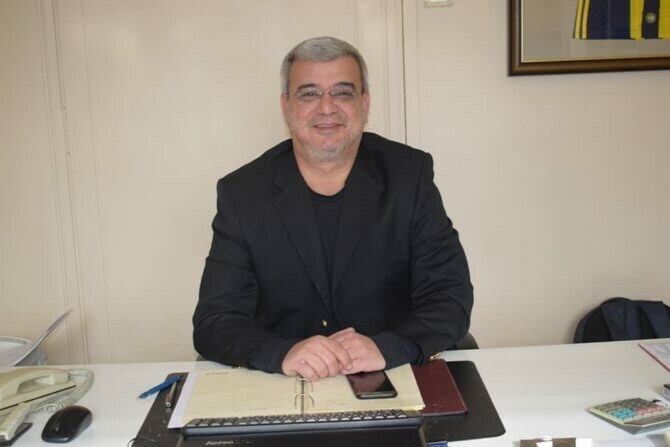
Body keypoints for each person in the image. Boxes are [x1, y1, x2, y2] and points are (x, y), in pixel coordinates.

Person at [193, 36, 473, 381]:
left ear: (365, 104)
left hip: (393, 376)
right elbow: (214, 321)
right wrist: (282, 353)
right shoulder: (243, 194)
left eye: (342, 93)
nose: (326, 108)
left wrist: (387, 347)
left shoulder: (409, 176)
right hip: (286, 385)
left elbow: (450, 296)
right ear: (286, 106)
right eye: (309, 94)